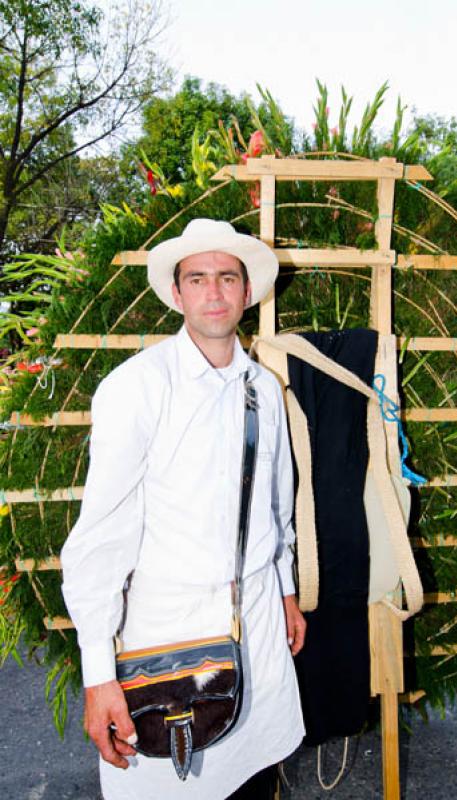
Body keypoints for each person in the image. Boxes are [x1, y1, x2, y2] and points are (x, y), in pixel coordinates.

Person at [61, 218, 306, 800]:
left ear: (247, 292)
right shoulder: (137, 388)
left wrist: (286, 589)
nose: (214, 292)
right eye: (197, 279)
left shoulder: (264, 388)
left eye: (227, 277)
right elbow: (99, 541)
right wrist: (99, 677)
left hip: (259, 627)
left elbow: (275, 500)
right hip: (168, 640)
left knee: (256, 776)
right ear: (177, 294)